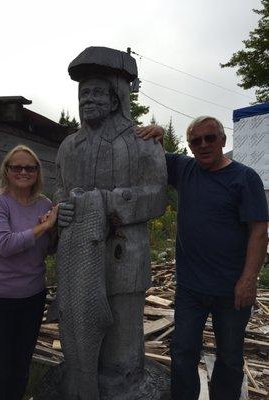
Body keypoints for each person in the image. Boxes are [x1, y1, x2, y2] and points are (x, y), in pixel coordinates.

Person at [55, 47, 168, 399]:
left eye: (96, 92)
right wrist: (65, 209)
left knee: (121, 343)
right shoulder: (69, 146)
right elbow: (59, 190)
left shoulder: (142, 143)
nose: (87, 99)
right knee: (78, 332)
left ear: (116, 97)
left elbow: (157, 196)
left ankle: (124, 385)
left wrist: (109, 201)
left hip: (124, 256)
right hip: (78, 258)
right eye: (82, 93)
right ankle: (82, 381)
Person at [140, 115, 268, 400]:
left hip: (231, 289)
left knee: (230, 357)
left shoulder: (244, 178)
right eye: (195, 141)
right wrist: (158, 132)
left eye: (210, 138)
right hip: (190, 288)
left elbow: (259, 232)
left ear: (223, 140)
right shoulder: (185, 169)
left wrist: (249, 279)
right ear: (190, 145)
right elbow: (154, 152)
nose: (203, 144)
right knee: (183, 352)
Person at [0, 144, 59, 400]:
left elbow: (48, 250)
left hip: (30, 300)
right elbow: (5, 245)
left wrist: (52, 232)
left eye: (30, 168)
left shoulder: (44, 203)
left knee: (20, 369)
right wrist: (42, 228)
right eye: (16, 167)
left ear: (37, 172)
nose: (23, 172)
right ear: (6, 170)